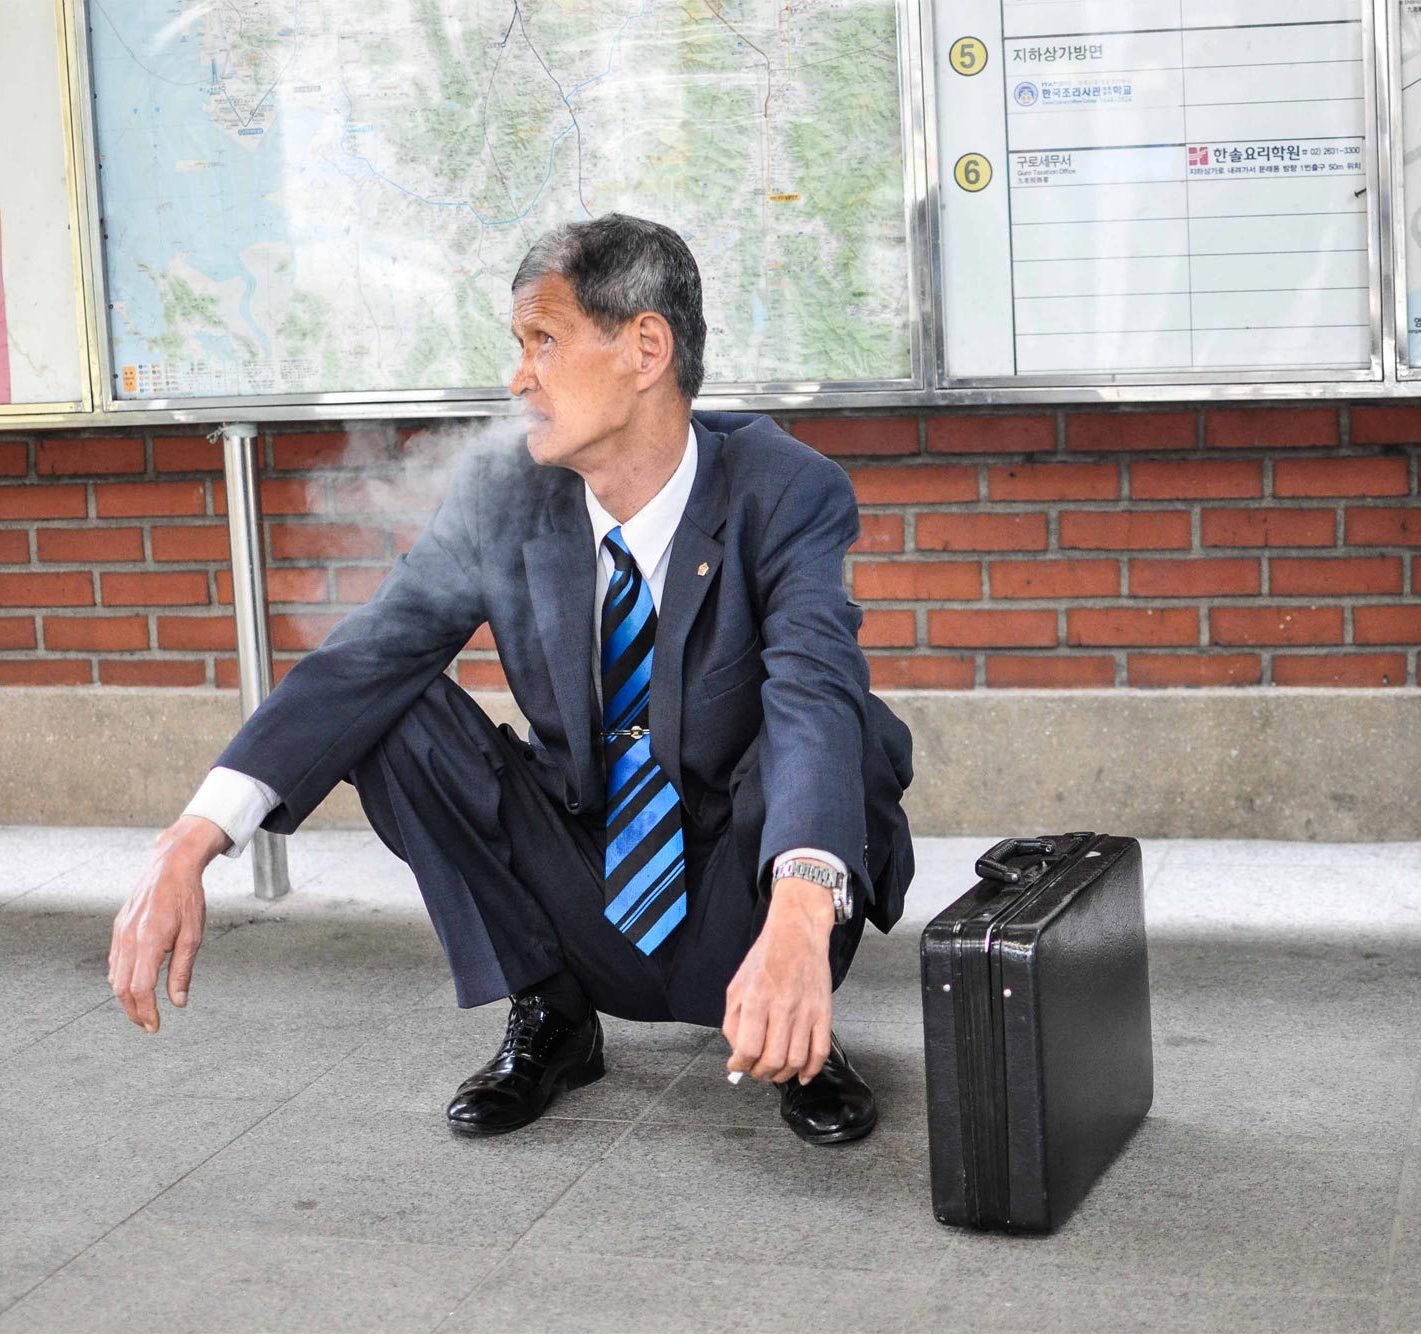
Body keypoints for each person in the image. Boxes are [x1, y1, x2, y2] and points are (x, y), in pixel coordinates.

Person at [107, 213, 915, 1145]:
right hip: (588, 862)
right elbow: (369, 656)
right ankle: (554, 1016)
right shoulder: (505, 493)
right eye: (518, 345)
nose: (518, 377)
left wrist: (804, 916)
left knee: (840, 727)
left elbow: (812, 691)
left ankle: (796, 1024)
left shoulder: (785, 488)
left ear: (644, 348)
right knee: (394, 708)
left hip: (746, 873)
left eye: (544, 340)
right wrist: (190, 840)